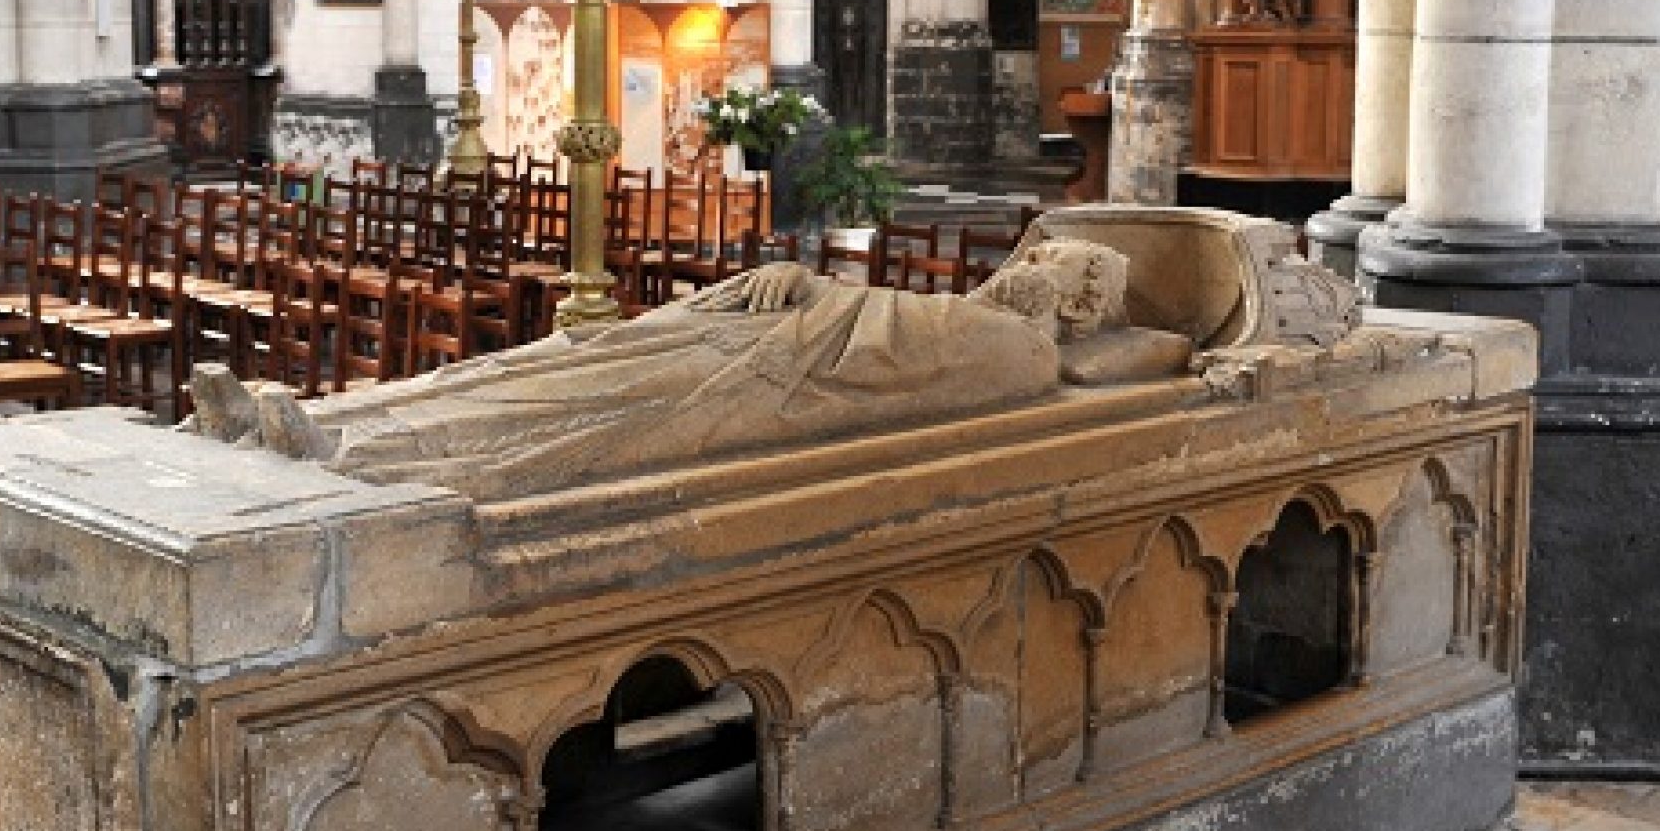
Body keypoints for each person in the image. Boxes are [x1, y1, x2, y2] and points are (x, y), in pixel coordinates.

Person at [196, 240, 1199, 500]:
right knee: (553, 356)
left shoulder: (1019, 349)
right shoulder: (992, 318)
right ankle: (321, 416)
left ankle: (340, 445)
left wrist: (810, 290)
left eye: (1052, 266)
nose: (1025, 264)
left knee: (547, 407)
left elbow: (874, 343)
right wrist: (794, 278)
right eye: (1033, 254)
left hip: (754, 383)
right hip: (744, 340)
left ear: (1076, 306)